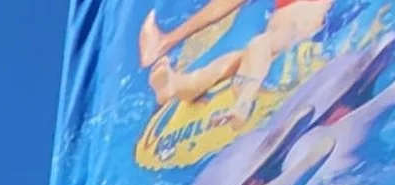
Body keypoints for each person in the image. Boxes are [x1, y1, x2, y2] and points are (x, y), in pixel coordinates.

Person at [140, 0, 333, 112]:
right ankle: (180, 82)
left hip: (291, 27)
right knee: (249, 53)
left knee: (253, 51)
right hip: (287, 27)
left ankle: (179, 79)